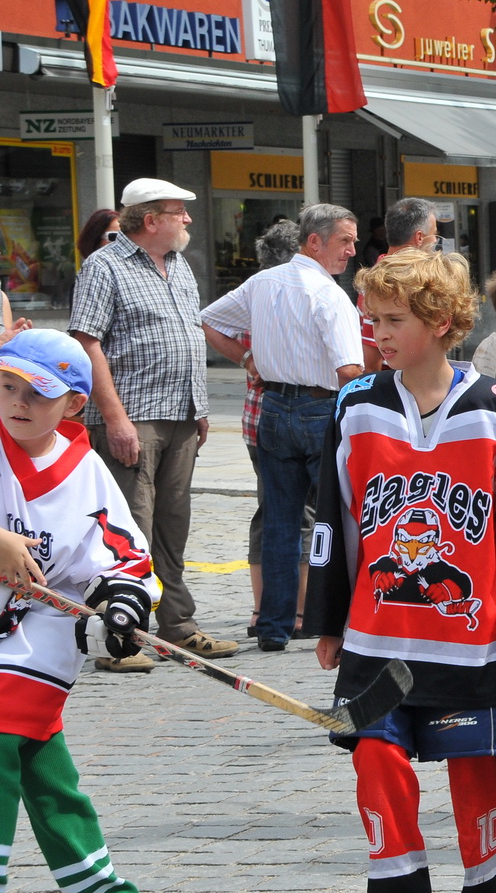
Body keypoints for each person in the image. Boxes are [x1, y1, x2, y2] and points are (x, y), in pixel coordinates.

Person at [305, 248, 496, 893]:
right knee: (377, 765)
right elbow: (336, 521)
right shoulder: (355, 408)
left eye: (393, 319)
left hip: (474, 644)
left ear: (443, 323)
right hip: (376, 640)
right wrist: (327, 618)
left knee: (474, 778)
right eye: (372, 317)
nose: (376, 330)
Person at [0, 329, 159, 893]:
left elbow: (123, 556)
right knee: (45, 776)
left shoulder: (85, 471)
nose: (15, 401)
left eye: (34, 394)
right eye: (6, 386)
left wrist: (122, 602)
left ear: (70, 404)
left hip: (38, 633)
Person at [69, 177, 236, 670]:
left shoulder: (180, 264)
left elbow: (187, 334)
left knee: (172, 527)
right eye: (178, 211)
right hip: (134, 417)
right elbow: (88, 342)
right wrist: (115, 419)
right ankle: (122, 638)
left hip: (179, 415)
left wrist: (200, 406)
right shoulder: (104, 266)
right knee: (129, 530)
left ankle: (178, 626)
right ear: (150, 220)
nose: (187, 219)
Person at [200, 204, 364, 651]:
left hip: (273, 406)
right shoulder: (329, 295)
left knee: (280, 522)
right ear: (315, 242)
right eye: (345, 240)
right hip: (318, 409)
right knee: (338, 519)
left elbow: (209, 320)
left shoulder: (262, 282)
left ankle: (274, 626)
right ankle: (343, 621)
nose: (352, 250)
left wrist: (246, 359)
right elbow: (350, 369)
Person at [238, 220, 304, 637]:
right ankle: (297, 611)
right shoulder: (279, 291)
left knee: (271, 510)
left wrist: (245, 357)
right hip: (282, 413)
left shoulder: (253, 292)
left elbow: (215, 325)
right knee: (301, 512)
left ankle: (264, 610)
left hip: (255, 416)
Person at [360, 199, 442, 372]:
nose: (436, 240)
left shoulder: (379, 276)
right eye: (435, 234)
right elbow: (371, 358)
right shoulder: (379, 282)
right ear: (420, 237)